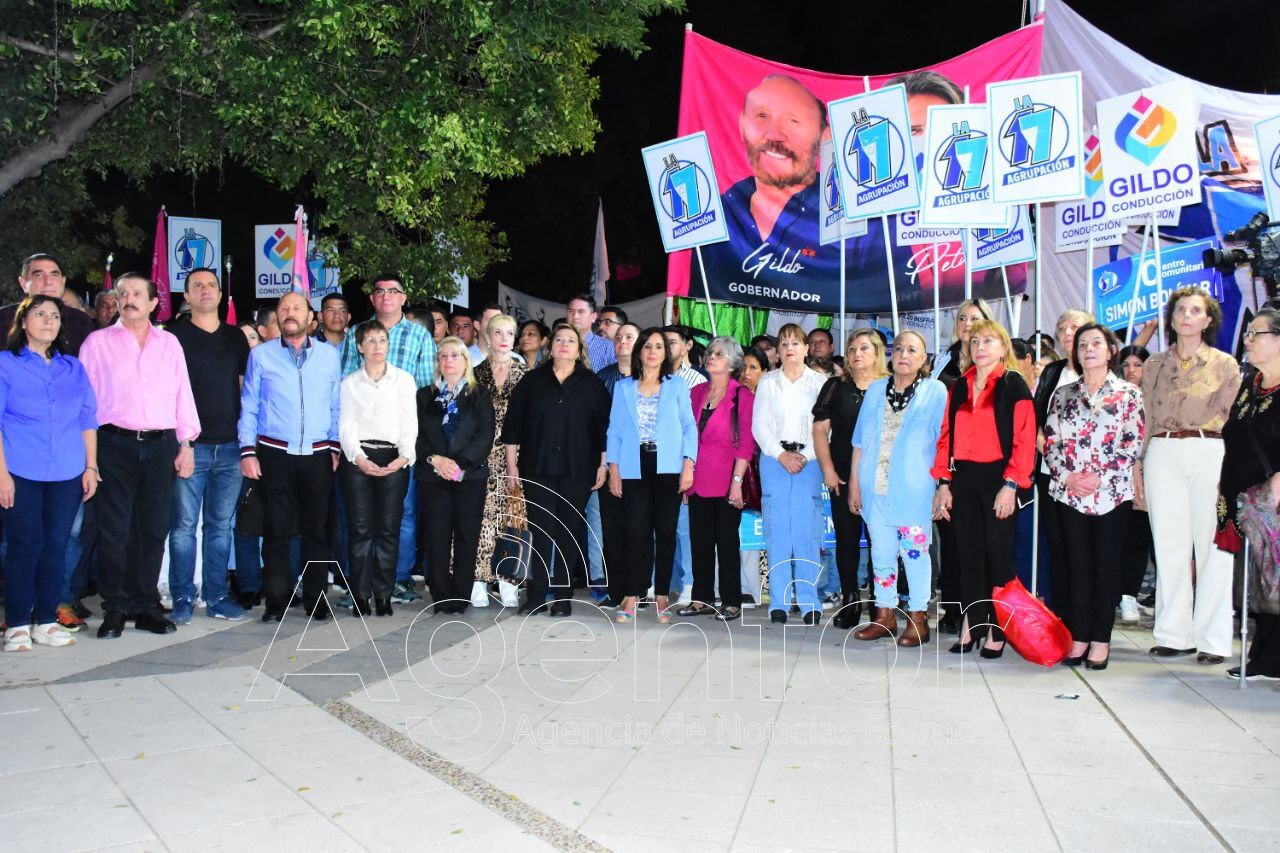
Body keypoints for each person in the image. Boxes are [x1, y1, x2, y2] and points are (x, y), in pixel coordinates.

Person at [80, 273, 200, 638]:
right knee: (115, 530)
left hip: (161, 444)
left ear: (152, 303)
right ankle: (115, 607)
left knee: (153, 528)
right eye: (123, 293)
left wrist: (186, 444)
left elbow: (182, 393)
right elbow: (84, 402)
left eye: (137, 293)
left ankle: (146, 605)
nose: (128, 298)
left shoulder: (170, 344)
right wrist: (90, 458)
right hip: (114, 444)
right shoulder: (98, 343)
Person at [1138, 288, 1241, 663]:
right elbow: (1146, 418)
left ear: (1208, 320)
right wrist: (1139, 466)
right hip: (1162, 451)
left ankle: (1214, 639)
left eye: (1195, 310)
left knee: (1214, 545)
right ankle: (1174, 633)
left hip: (1210, 450)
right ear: (1171, 317)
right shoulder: (1154, 365)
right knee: (1169, 546)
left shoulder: (1224, 364)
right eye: (1180, 309)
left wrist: (1233, 471)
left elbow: (1233, 420)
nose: (1186, 315)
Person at [931, 319, 1035, 657]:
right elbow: (945, 437)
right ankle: (971, 622)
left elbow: (1024, 440)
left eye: (989, 341)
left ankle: (997, 628)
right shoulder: (959, 386)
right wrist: (943, 482)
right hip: (963, 479)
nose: (980, 347)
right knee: (968, 556)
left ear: (1003, 348)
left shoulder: (1013, 384)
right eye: (975, 341)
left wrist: (1011, 485)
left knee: (998, 557)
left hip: (1000, 479)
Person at [0, 295, 98, 651]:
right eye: (39, 314)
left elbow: (87, 419)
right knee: (24, 546)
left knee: (56, 547)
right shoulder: (6, 364)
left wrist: (91, 466)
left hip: (67, 471)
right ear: (23, 321)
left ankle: (45, 620)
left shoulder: (73, 368)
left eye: (54, 315)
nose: (48, 321)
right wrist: (2, 475)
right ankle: (16, 623)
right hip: (20, 471)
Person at [1044, 324, 1144, 670]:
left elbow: (1132, 443)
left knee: (1106, 566)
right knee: (1076, 566)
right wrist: (1069, 477)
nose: (1088, 349)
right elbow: (1051, 441)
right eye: (1083, 344)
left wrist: (1099, 477)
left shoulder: (1128, 393)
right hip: (1070, 494)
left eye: (1096, 343)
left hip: (1110, 494)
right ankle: (1079, 635)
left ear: (1110, 351)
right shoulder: (1063, 394)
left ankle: (1101, 639)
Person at [239, 290, 341, 623]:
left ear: (311, 317)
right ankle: (276, 600)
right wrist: (247, 450)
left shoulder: (329, 356)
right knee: (276, 529)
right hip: (274, 453)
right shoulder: (261, 356)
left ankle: (316, 599)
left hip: (317, 455)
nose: (289, 313)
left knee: (317, 531)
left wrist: (334, 445)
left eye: (297, 307)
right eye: (284, 308)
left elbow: (336, 405)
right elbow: (250, 405)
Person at [339, 274, 436, 605]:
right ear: (372, 298)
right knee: (359, 520)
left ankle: (398, 579)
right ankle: (359, 584)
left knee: (402, 516)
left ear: (403, 297)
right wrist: (351, 449)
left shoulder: (420, 335)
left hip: (400, 444)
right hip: (360, 445)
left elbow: (425, 394)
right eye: (379, 291)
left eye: (393, 291)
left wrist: (411, 448)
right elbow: (345, 390)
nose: (386, 296)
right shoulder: (356, 333)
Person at [503, 323, 610, 616]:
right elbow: (513, 426)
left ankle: (563, 598)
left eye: (571, 340)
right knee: (540, 531)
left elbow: (603, 430)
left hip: (578, 468)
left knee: (568, 531)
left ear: (579, 350)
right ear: (550, 347)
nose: (564, 344)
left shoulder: (592, 384)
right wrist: (511, 465)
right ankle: (536, 596)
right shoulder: (532, 381)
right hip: (537, 466)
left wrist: (603, 465)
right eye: (559, 339)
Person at [849, 330, 946, 646]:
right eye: (899, 348)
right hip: (874, 489)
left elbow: (943, 443)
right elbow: (859, 442)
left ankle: (918, 618)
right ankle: (884, 615)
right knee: (881, 554)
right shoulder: (876, 390)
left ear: (923, 359)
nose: (904, 354)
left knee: (915, 554)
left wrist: (941, 486)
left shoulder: (935, 391)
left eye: (912, 350)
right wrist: (854, 485)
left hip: (914, 490)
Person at [166, 267, 251, 624]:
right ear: (186, 296)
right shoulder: (173, 336)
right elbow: (167, 392)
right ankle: (183, 595)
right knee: (183, 527)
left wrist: (247, 443)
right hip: (190, 446)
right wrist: (180, 442)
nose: (205, 290)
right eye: (197, 286)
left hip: (230, 447)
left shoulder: (235, 337)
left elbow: (246, 390)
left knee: (220, 527)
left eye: (211, 285)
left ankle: (216, 596)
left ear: (220, 294)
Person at [606, 328, 698, 622]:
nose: (653, 351)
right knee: (635, 531)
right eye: (647, 346)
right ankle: (632, 594)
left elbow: (689, 426)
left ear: (665, 353)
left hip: (669, 466)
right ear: (640, 352)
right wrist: (613, 469)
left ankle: (661, 595)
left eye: (659, 346)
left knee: (666, 532)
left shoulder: (677, 385)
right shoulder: (624, 387)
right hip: (633, 465)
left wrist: (688, 464)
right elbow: (615, 430)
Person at [338, 320, 416, 617]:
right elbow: (346, 426)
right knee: (360, 529)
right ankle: (360, 595)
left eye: (382, 340)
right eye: (370, 341)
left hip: (394, 458)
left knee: (388, 529)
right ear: (360, 347)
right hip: (358, 459)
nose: (377, 346)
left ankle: (383, 594)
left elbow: (409, 424)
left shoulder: (403, 380)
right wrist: (359, 458)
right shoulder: (350, 383)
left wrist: (404, 457)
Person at [1217, 308, 1280, 679]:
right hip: (1245, 497)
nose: (1248, 340)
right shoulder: (1250, 384)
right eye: (1248, 333)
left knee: (1276, 576)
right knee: (1259, 578)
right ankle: (1265, 656)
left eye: (1257, 333)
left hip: (1274, 495)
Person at [753, 323, 829, 624]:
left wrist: (805, 455)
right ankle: (779, 602)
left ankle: (810, 602)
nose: (789, 349)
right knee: (777, 532)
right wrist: (781, 455)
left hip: (810, 460)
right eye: (783, 343)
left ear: (806, 348)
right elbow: (759, 426)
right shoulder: (768, 382)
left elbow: (825, 427)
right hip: (775, 460)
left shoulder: (820, 382)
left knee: (807, 532)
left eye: (795, 343)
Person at [813, 329, 888, 629]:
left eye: (864, 348)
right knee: (846, 540)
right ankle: (850, 599)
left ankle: (881, 602)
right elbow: (820, 430)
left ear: (878, 352)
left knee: (882, 542)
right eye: (852, 348)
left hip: (882, 477)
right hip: (842, 475)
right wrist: (828, 470)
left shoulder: (890, 387)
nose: (857, 354)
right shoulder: (835, 386)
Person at [416, 338, 494, 613]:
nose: (449, 361)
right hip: (433, 475)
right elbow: (416, 434)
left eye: (455, 356)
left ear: (465, 361)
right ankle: (440, 595)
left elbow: (485, 435)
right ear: (438, 362)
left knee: (466, 536)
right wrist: (435, 459)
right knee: (436, 537)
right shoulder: (424, 396)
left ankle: (460, 596)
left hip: (469, 476)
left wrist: (457, 464)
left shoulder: (480, 394)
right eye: (444, 356)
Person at [681, 336, 754, 622]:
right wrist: (686, 473)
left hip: (727, 479)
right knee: (699, 541)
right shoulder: (696, 392)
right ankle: (701, 599)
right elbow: (687, 436)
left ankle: (731, 600)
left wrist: (737, 481)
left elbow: (746, 443)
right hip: (697, 479)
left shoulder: (742, 395)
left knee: (726, 542)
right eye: (710, 352)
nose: (711, 356)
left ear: (733, 363)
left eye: (720, 354)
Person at [1032, 308, 1094, 615]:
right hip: (1051, 473)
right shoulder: (1052, 372)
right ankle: (1061, 617)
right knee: (1056, 546)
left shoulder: (1101, 372)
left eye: (1075, 326)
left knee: (1085, 550)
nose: (1068, 332)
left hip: (1090, 478)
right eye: (1062, 327)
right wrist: (1051, 457)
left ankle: (1085, 618)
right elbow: (1036, 420)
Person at [473, 314, 527, 608]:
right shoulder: (474, 374)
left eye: (509, 333)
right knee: (479, 519)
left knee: (513, 518)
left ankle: (509, 581)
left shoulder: (526, 375)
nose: (504, 339)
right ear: (488, 336)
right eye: (498, 333)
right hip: (479, 457)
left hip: (515, 457)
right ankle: (477, 580)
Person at [595, 322, 641, 605]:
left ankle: (638, 589)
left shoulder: (651, 378)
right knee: (612, 530)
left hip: (642, 464)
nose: (622, 341)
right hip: (608, 460)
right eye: (619, 337)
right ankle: (617, 590)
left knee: (639, 528)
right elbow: (597, 425)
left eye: (629, 337)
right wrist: (605, 464)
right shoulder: (602, 378)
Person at [1116, 344, 1154, 621]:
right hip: (1117, 477)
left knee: (1139, 538)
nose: (1131, 370)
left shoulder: (1155, 398)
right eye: (1126, 364)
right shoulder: (1114, 395)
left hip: (1149, 475)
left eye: (1138, 365)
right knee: (1118, 538)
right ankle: (1116, 594)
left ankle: (1130, 595)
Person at [1, 254, 97, 355]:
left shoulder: (82, 321)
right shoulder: (3, 318)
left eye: (54, 275)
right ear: (23, 283)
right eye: (38, 275)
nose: (48, 282)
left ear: (63, 281)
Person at [932, 298, 993, 387]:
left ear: (987, 324)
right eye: (962, 318)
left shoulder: (996, 360)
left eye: (974, 319)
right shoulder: (940, 360)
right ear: (956, 325)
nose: (967, 323)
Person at [565, 293, 615, 371]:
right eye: (571, 311)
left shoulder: (609, 348)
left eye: (581, 312)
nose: (575, 316)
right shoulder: (557, 344)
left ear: (593, 317)